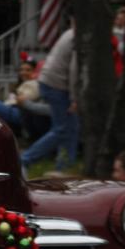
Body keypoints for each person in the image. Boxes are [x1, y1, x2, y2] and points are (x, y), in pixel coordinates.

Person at [21, 24, 78, 173]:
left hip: (50, 81)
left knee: (70, 128)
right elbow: (74, 69)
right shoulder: (77, 38)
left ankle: (64, 167)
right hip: (57, 85)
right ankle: (24, 160)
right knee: (63, 129)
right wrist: (74, 97)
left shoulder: (70, 33)